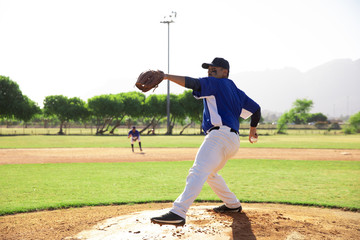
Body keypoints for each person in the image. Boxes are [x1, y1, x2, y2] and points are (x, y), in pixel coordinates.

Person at [150, 57, 261, 227]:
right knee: (210, 173)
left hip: (219, 136)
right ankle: (232, 204)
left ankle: (178, 212)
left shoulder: (217, 83)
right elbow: (256, 109)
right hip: (233, 141)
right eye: (208, 69)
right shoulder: (236, 91)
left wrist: (166, 76)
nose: (210, 71)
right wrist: (252, 131)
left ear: (225, 72)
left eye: (214, 68)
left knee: (198, 170)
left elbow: (194, 83)